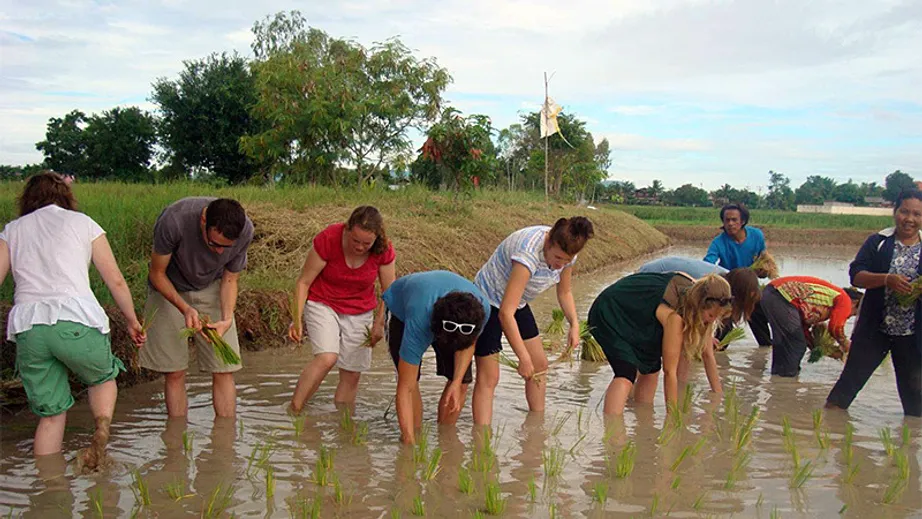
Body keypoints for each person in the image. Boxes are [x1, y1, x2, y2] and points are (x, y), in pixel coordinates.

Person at [0, 172, 145, 469]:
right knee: (103, 379)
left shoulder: (12, 230)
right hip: (75, 320)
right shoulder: (83, 223)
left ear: (27, 199)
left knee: (51, 416)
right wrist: (132, 320)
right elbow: (115, 280)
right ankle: (101, 436)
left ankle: (49, 493)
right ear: (66, 197)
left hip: (29, 328)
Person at [472, 217, 594, 424]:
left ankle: (536, 428)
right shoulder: (527, 253)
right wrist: (522, 357)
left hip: (516, 302)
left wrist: (574, 324)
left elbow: (564, 292)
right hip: (486, 301)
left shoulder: (567, 254)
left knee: (540, 365)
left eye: (566, 261)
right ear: (548, 242)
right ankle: (482, 441)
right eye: (557, 258)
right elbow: (505, 313)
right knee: (490, 376)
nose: (559, 266)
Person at [139, 197, 253, 418]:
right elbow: (157, 273)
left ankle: (225, 443)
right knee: (175, 371)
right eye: (214, 244)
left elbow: (230, 279)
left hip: (212, 285)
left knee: (224, 369)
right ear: (203, 220)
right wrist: (185, 308)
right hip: (169, 287)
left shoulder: (245, 230)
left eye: (226, 247)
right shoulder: (174, 220)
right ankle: (177, 441)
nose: (220, 252)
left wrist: (227, 319)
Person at [288, 206, 396, 413]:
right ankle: (294, 410)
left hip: (360, 309)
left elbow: (389, 292)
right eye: (355, 241)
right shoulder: (329, 238)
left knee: (352, 372)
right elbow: (303, 282)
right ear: (347, 230)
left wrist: (379, 324)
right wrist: (297, 319)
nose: (360, 247)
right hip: (323, 302)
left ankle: (342, 424)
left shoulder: (384, 250)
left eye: (367, 243)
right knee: (327, 357)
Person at [827, 189, 922, 417]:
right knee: (843, 393)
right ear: (895, 212)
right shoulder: (878, 242)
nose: (909, 219)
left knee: (916, 407)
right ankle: (829, 432)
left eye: (917, 214)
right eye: (904, 211)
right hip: (873, 330)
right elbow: (856, 275)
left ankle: (908, 448)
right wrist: (886, 279)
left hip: (912, 336)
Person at [588, 273, 732, 415]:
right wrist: (673, 418)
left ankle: (643, 420)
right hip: (610, 310)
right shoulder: (676, 316)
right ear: (700, 305)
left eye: (717, 317)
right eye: (711, 315)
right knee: (626, 373)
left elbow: (707, 354)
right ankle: (613, 432)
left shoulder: (699, 294)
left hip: (640, 316)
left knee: (651, 368)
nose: (713, 320)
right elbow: (670, 372)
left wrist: (718, 396)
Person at [383, 270, 490, 444]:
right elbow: (405, 388)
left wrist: (456, 382)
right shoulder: (419, 320)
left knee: (462, 383)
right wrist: (408, 444)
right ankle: (414, 435)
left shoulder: (480, 311)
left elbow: (468, 344)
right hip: (402, 309)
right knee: (411, 381)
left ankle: (445, 439)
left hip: (453, 314)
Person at [638, 257, 762, 346]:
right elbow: (690, 311)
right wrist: (705, 340)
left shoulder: (730, 280)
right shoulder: (712, 285)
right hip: (652, 275)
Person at [761, 276, 862, 377]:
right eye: (853, 314)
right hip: (781, 296)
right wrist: (845, 344)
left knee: (784, 342)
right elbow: (835, 327)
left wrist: (825, 350)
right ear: (855, 303)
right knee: (797, 345)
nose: (848, 317)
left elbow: (803, 331)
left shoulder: (820, 304)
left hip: (771, 294)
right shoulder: (844, 299)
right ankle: (788, 380)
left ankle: (778, 378)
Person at [703, 203, 772, 347]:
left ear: (743, 221)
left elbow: (763, 260)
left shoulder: (756, 236)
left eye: (734, 220)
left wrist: (764, 271)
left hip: (751, 287)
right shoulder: (718, 242)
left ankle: (765, 351)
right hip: (731, 289)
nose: (730, 224)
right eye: (727, 220)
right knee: (725, 327)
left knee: (759, 322)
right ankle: (716, 351)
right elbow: (708, 263)